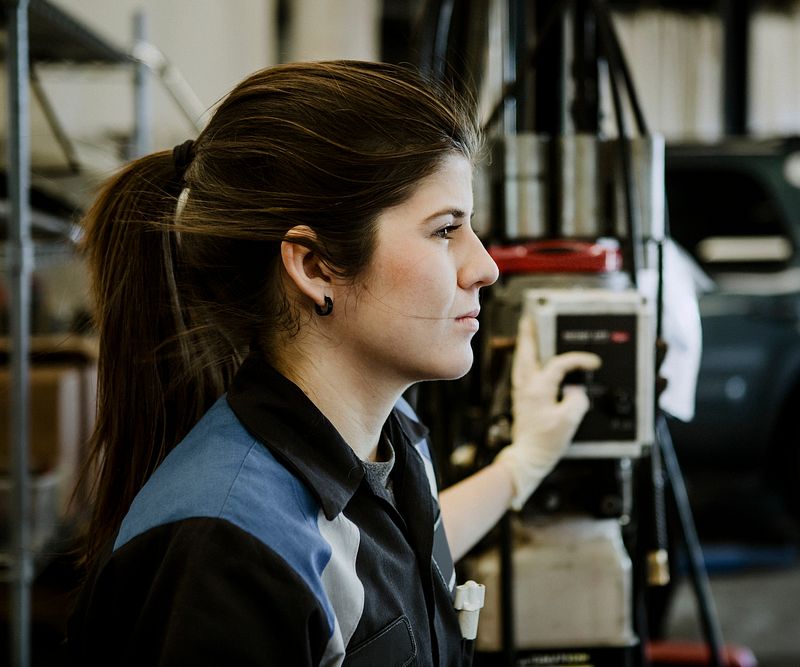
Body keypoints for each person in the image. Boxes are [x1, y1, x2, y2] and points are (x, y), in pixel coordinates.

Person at [67, 60, 600, 666]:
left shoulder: (389, 434)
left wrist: (522, 465)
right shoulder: (224, 553)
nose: (485, 267)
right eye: (444, 230)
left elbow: (374, 553)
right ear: (315, 267)